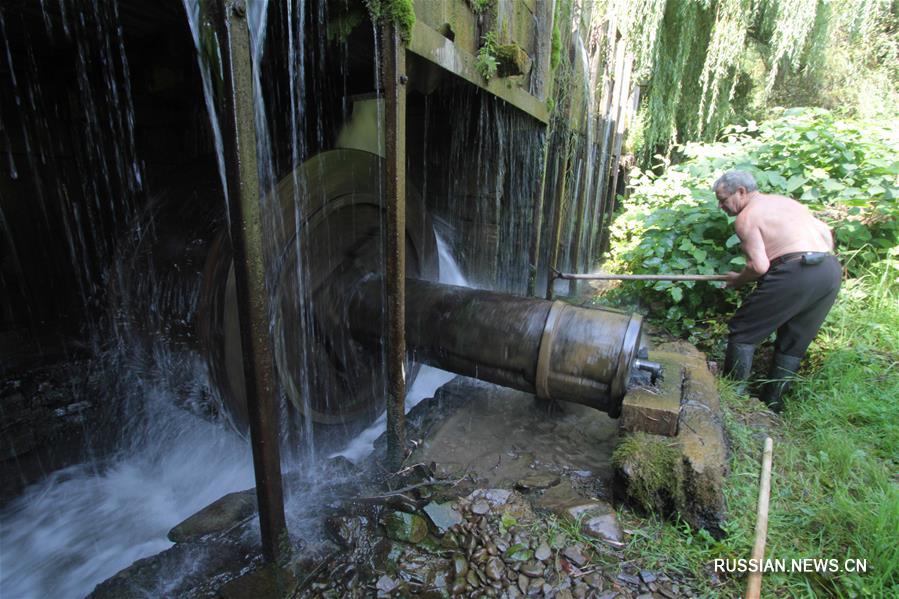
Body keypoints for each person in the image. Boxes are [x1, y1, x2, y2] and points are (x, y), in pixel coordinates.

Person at [714, 170, 841, 411]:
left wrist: (738, 279)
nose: (721, 206)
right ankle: (771, 404)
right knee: (794, 341)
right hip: (829, 270)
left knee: (743, 330)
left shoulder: (746, 217)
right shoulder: (785, 203)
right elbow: (825, 233)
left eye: (723, 199)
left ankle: (731, 399)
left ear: (741, 192)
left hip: (796, 271)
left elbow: (759, 266)